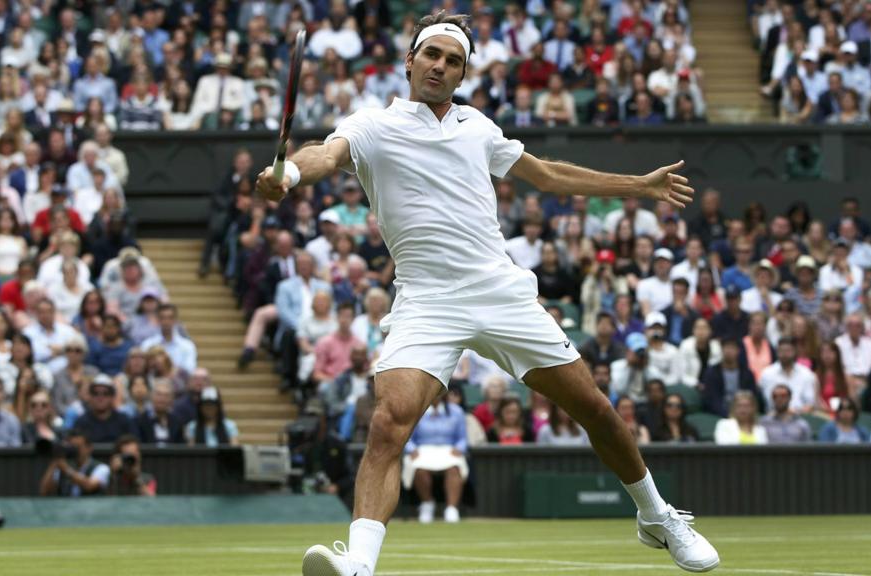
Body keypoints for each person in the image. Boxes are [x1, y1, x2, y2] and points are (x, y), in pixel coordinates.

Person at [258, 12, 716, 575]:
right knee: (388, 421)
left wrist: (638, 186)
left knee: (594, 408)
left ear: (461, 73)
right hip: (427, 299)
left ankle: (657, 516)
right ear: (410, 61)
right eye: (432, 55)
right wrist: (291, 176)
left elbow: (547, 176)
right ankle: (359, 564)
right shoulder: (372, 125)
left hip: (499, 291)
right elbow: (321, 154)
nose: (440, 66)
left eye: (454, 61)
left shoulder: (478, 127)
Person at [403, 391, 470, 524]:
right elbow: (408, 437)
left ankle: (452, 509)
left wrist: (459, 448)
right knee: (418, 468)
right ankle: (427, 504)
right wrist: (411, 449)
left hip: (448, 449)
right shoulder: (416, 411)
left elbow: (462, 438)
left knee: (454, 468)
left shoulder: (456, 411)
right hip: (422, 449)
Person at [39, 429, 110, 497]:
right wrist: (54, 463)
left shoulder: (101, 468)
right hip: (65, 508)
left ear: (89, 448)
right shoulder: (63, 466)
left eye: (78, 447)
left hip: (91, 508)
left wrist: (66, 470)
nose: (76, 451)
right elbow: (44, 491)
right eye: (72, 447)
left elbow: (89, 486)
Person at [701, 338, 760, 418]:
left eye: (732, 348)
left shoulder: (747, 373)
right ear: (721, 350)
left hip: (743, 412)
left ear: (738, 351)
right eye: (726, 347)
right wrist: (727, 415)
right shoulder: (712, 373)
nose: (729, 351)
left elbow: (752, 396)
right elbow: (712, 399)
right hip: (719, 414)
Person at [72, 374, 137, 444]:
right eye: (95, 393)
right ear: (90, 396)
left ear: (112, 397)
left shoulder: (125, 421)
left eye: (105, 393)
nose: (100, 397)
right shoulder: (81, 423)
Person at [759, 337, 817, 413]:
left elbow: (810, 403)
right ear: (777, 352)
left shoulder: (806, 374)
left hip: (801, 417)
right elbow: (768, 401)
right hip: (774, 418)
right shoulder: (767, 374)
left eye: (788, 351)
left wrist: (795, 412)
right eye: (781, 351)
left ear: (794, 351)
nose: (785, 354)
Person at [140, 303, 197, 374]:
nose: (166, 321)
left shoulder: (187, 346)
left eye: (170, 318)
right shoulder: (147, 344)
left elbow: (189, 371)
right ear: (158, 320)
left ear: (176, 320)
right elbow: (143, 369)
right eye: (163, 318)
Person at [137, 381, 184, 445]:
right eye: (159, 394)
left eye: (166, 395)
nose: (162, 399)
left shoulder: (177, 421)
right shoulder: (140, 421)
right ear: (151, 397)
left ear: (171, 400)